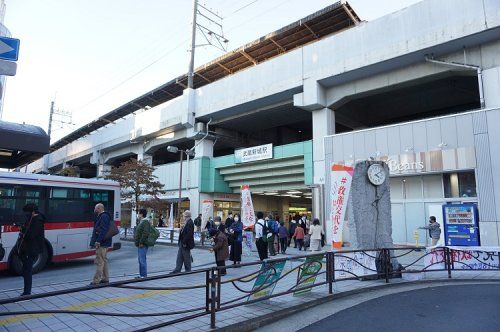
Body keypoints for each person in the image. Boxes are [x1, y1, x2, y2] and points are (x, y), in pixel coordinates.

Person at [17, 203, 45, 296]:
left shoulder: (37, 221)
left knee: (27, 270)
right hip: (28, 248)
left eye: (27, 213)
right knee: (25, 269)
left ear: (33, 212)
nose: (26, 215)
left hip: (32, 249)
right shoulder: (32, 219)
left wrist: (23, 231)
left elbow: (30, 235)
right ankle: (26, 290)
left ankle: (27, 292)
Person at [90, 203, 112, 285]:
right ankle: (105, 278)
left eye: (95, 208)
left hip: (102, 243)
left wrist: (98, 241)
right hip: (104, 242)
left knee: (100, 261)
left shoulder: (103, 216)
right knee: (104, 260)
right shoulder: (103, 216)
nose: (94, 209)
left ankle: (96, 280)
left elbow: (103, 230)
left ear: (99, 208)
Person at [134, 209, 152, 278]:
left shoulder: (145, 222)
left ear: (141, 214)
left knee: (142, 260)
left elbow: (145, 233)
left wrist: (141, 242)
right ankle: (141, 275)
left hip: (143, 244)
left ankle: (144, 275)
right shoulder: (142, 222)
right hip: (140, 244)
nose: (138, 215)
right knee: (140, 259)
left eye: (139, 214)